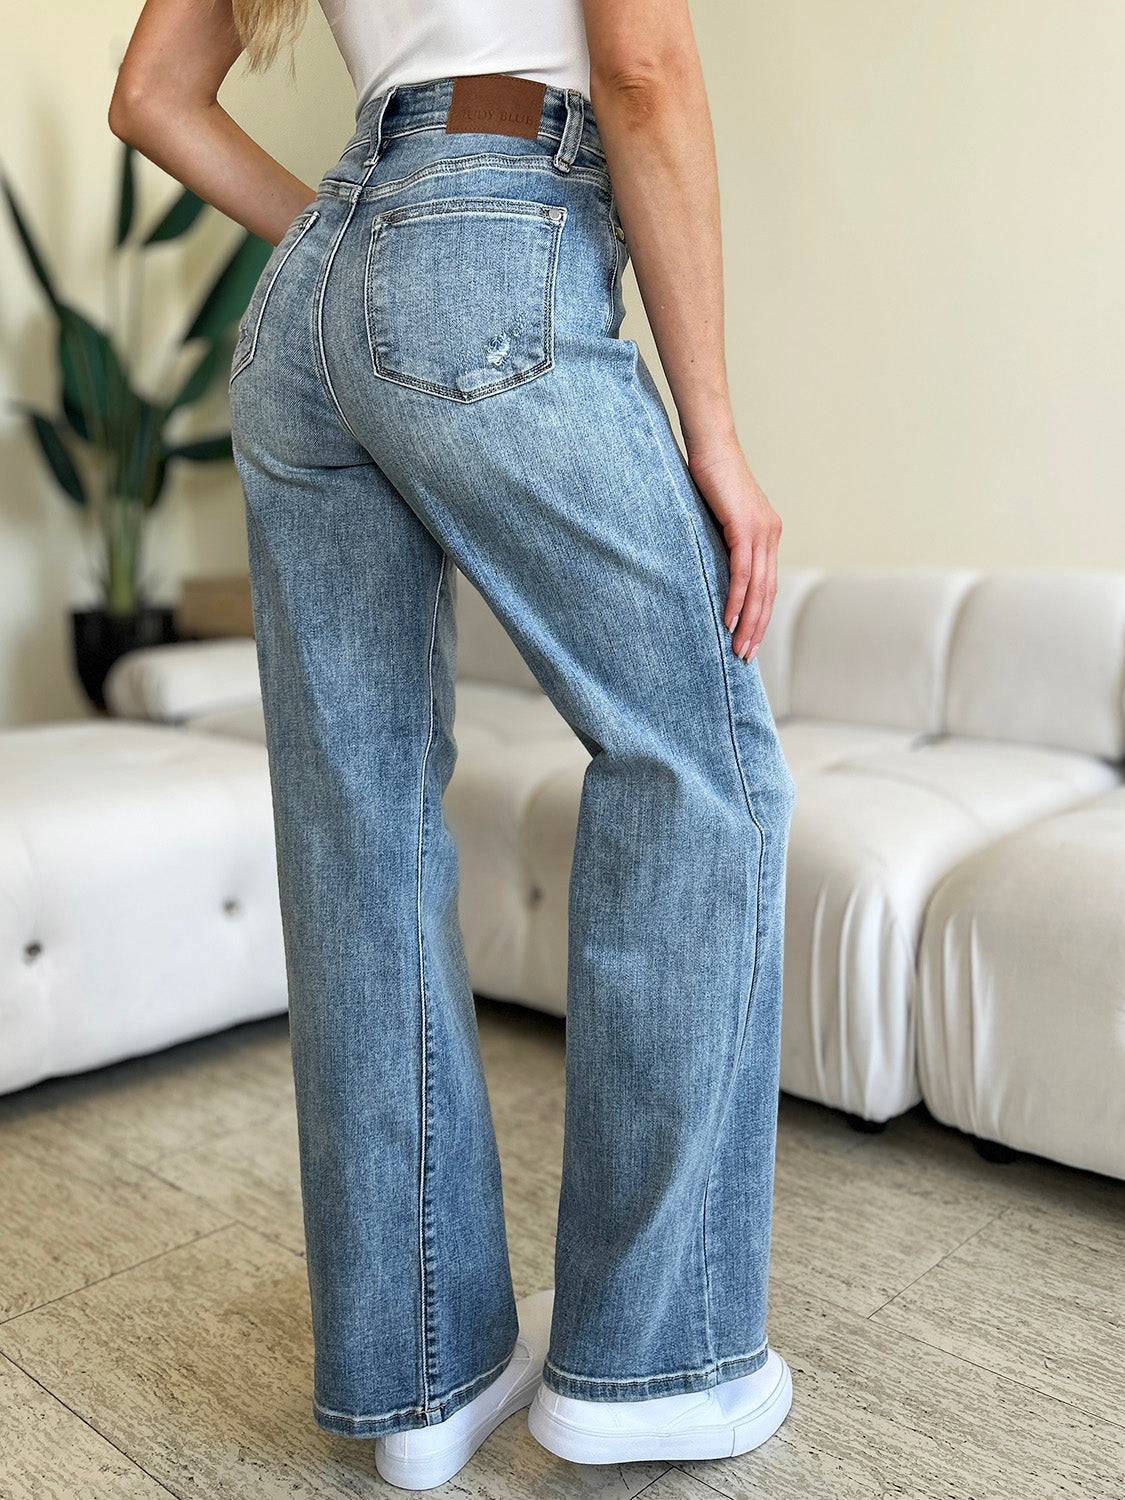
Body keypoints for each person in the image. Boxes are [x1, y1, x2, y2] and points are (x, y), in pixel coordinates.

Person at [111, 0, 797, 1488]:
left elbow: (152, 97)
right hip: (496, 223)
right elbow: (639, 67)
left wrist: (357, 252)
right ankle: (651, 1359)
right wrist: (717, 434)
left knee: (355, 822)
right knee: (705, 764)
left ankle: (418, 1377)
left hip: (310, 299)